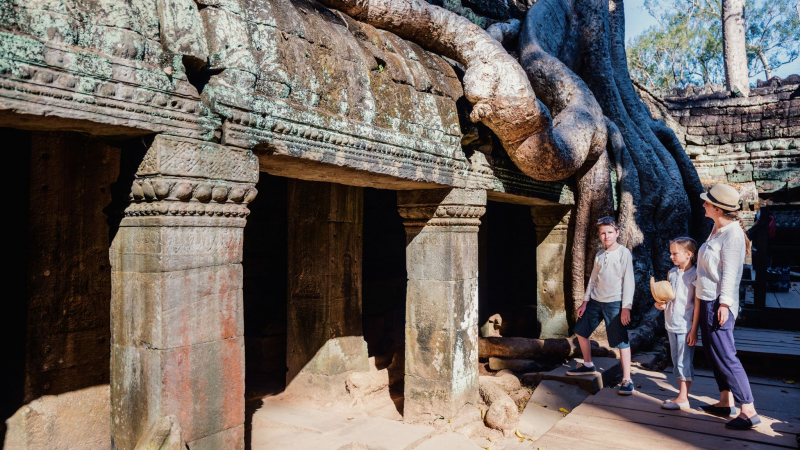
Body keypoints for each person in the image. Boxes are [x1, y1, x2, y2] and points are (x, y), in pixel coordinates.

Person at [696, 183, 760, 430]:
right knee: (713, 352)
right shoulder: (716, 228)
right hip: (707, 299)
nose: (703, 204)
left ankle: (748, 409)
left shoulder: (732, 235)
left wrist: (724, 305)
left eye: (707, 202)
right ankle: (725, 400)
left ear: (718, 209)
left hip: (718, 302)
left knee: (725, 354)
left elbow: (731, 274)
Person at [566, 216, 635, 395]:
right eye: (603, 233)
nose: (607, 236)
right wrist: (585, 301)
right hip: (596, 301)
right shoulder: (599, 254)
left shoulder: (623, 253)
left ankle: (627, 378)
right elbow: (593, 280)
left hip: (614, 302)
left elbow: (629, 281)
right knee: (581, 331)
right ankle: (588, 364)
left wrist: (626, 307)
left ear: (617, 233)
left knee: (621, 341)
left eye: (610, 232)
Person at [654, 237, 699, 410]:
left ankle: (684, 397)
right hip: (670, 323)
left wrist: (694, 330)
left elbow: (696, 305)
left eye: (675, 253)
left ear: (688, 254)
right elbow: (669, 297)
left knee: (684, 361)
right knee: (675, 360)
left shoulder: (695, 275)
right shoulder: (671, 273)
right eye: (671, 253)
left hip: (685, 325)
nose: (671, 256)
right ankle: (681, 395)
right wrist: (661, 304)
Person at [746, 206, 774, 308]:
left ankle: (762, 289)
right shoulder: (768, 220)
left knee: (761, 270)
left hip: (762, 249)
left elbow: (751, 233)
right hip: (764, 249)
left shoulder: (762, 222)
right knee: (764, 268)